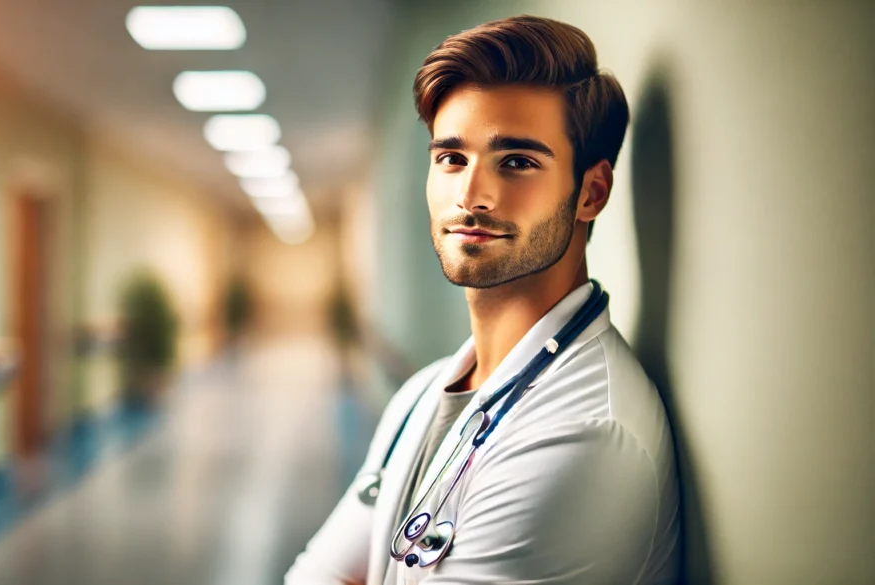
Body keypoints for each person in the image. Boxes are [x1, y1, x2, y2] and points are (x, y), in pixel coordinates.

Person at [286, 15, 680, 585]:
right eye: (451, 159)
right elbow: (315, 575)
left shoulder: (582, 434)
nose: (471, 196)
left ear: (591, 192)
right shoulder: (421, 396)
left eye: (517, 162)